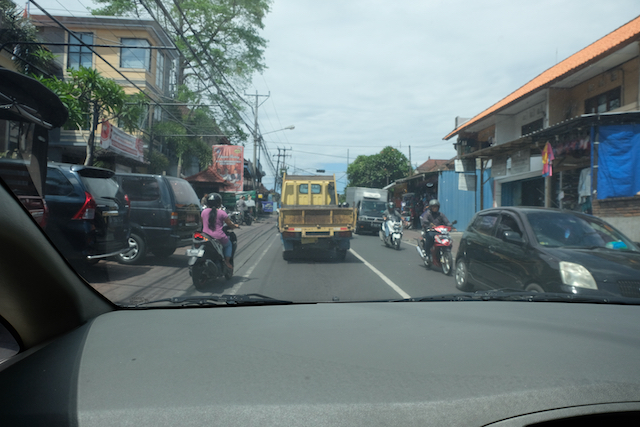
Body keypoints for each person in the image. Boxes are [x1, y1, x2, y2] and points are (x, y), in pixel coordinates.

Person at [202, 193, 239, 269]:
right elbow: (229, 224)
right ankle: (227, 262)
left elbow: (202, 222)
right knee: (229, 245)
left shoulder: (203, 212)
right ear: (219, 203)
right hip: (219, 237)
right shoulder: (222, 213)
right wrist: (235, 226)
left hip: (205, 236)